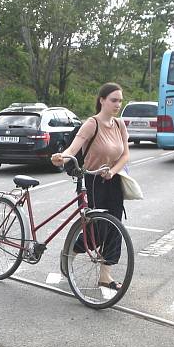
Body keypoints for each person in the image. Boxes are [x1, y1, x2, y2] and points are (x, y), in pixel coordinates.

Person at [51, 82, 130, 290]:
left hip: (113, 179)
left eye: (120, 100)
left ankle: (106, 275)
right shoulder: (91, 124)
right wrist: (62, 157)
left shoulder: (120, 125)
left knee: (114, 228)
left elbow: (125, 155)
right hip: (93, 180)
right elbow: (73, 147)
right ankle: (71, 252)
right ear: (102, 100)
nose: (118, 104)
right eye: (114, 100)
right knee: (96, 229)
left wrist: (112, 171)